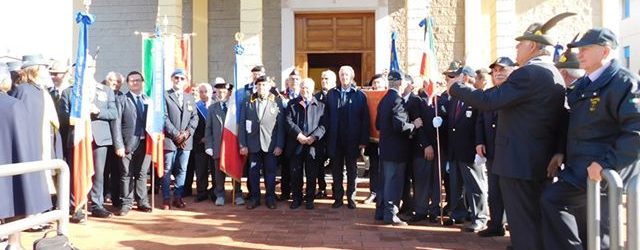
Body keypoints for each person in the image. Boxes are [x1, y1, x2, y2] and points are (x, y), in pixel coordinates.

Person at [446, 13, 572, 249]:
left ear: (533, 46)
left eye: (520, 44)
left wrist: (457, 88)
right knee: (532, 221)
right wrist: (558, 150)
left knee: (523, 225)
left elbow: (489, 100)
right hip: (533, 161)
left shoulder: (529, 73)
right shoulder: (552, 72)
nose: (516, 48)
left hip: (520, 163)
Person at [541, 27, 640, 249]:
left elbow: (635, 132)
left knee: (601, 231)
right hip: (579, 169)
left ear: (604, 52)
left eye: (586, 49)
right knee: (580, 221)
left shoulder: (625, 83)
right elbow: (575, 124)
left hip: (604, 173)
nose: (580, 54)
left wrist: (606, 164)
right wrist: (561, 152)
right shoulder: (585, 83)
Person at [0, 63, 51, 250]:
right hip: (12, 163)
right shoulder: (14, 105)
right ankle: (13, 243)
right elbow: (24, 139)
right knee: (16, 198)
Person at [443, 66, 489, 233]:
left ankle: (480, 217)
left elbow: (480, 124)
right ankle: (458, 213)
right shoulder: (455, 99)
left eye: (457, 76)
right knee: (456, 186)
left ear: (466, 78)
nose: (453, 80)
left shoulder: (476, 98)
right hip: (455, 151)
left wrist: (480, 145)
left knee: (475, 186)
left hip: (471, 151)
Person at [374, 71, 423, 226]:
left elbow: (378, 124)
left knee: (385, 181)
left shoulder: (384, 100)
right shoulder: (397, 100)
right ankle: (391, 214)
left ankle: (381, 211)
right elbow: (400, 125)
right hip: (396, 150)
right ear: (401, 83)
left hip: (386, 148)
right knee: (393, 182)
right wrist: (414, 125)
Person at [475, 56, 516, 237]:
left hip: (511, 152)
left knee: (511, 193)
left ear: (512, 71)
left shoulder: (516, 93)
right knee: (494, 190)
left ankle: (514, 229)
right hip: (492, 151)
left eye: (502, 70)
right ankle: (496, 224)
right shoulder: (489, 94)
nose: (498, 73)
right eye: (495, 71)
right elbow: (480, 121)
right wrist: (479, 141)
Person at [326, 65, 370, 209]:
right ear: (339, 77)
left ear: (351, 77)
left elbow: (365, 120)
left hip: (352, 139)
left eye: (346, 75)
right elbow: (326, 117)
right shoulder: (332, 94)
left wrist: (363, 141)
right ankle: (338, 198)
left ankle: (351, 198)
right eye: (342, 75)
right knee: (336, 170)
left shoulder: (359, 95)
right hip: (335, 138)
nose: (344, 77)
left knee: (352, 170)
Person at [239, 75, 286, 209]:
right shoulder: (248, 101)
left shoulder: (276, 101)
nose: (261, 87)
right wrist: (243, 144)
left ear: (269, 86)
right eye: (259, 85)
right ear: (256, 87)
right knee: (253, 173)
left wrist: (279, 145)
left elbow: (280, 126)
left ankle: (270, 198)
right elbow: (242, 124)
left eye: (264, 85)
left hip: (270, 145)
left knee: (270, 173)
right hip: (253, 144)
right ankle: (255, 198)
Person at [111, 71, 153, 216]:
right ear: (128, 83)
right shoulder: (122, 100)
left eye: (138, 80)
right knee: (126, 174)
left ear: (142, 82)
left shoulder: (148, 100)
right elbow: (116, 124)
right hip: (127, 143)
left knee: (142, 173)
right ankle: (126, 203)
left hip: (145, 142)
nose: (135, 83)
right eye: (132, 80)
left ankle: (142, 201)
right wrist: (119, 145)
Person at [285, 78, 326, 209]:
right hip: (296, 144)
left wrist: (313, 137)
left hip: (313, 146)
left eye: (307, 87)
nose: (305, 90)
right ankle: (297, 198)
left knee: (312, 173)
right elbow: (288, 122)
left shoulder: (320, 105)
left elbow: (324, 125)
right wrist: (299, 135)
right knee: (296, 173)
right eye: (302, 87)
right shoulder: (292, 104)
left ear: (313, 89)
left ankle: (310, 199)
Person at [162, 69, 199, 209]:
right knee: (167, 169)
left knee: (182, 170)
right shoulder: (165, 95)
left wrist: (186, 134)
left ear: (185, 81)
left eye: (182, 78)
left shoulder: (189, 97)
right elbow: (163, 117)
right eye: (176, 78)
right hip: (170, 139)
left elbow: (194, 118)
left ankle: (178, 197)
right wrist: (176, 134)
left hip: (186, 140)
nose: (179, 80)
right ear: (172, 79)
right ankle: (166, 198)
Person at [205, 78, 245, 206]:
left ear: (229, 93)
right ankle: (220, 194)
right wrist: (209, 145)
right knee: (218, 173)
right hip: (218, 145)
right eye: (218, 92)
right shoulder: (212, 108)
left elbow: (242, 126)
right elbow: (209, 129)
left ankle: (238, 194)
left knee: (235, 169)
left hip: (233, 145)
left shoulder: (236, 108)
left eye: (224, 92)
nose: (221, 94)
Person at [277, 69, 302, 201]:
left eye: (296, 79)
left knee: (298, 167)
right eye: (292, 79)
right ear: (288, 81)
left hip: (299, 136)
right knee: (285, 167)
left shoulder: (304, 94)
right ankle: (285, 192)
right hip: (285, 136)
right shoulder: (281, 95)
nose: (294, 81)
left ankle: (297, 192)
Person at [363, 73, 386, 204]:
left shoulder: (389, 95)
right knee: (373, 166)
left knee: (385, 167)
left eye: (379, 83)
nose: (376, 85)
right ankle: (373, 192)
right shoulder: (367, 97)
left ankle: (384, 192)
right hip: (372, 139)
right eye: (374, 83)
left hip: (387, 139)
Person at [313, 69, 336, 199]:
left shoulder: (338, 95)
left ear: (334, 81)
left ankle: (336, 188)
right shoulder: (316, 97)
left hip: (334, 136)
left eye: (327, 79)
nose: (324, 81)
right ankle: (321, 188)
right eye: (322, 78)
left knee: (336, 165)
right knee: (319, 165)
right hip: (320, 137)